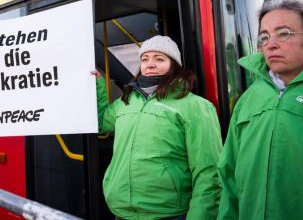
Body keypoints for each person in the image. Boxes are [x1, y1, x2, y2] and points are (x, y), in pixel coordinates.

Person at [217, 0, 303, 219]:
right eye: (264, 37)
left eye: (284, 33)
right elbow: (229, 174)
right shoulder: (250, 97)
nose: (270, 45)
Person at [93, 35, 222, 220]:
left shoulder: (196, 107)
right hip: (121, 212)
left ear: (174, 65)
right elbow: (100, 123)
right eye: (145, 59)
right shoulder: (126, 102)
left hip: (169, 215)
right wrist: (97, 85)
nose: (150, 64)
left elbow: (209, 172)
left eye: (159, 59)